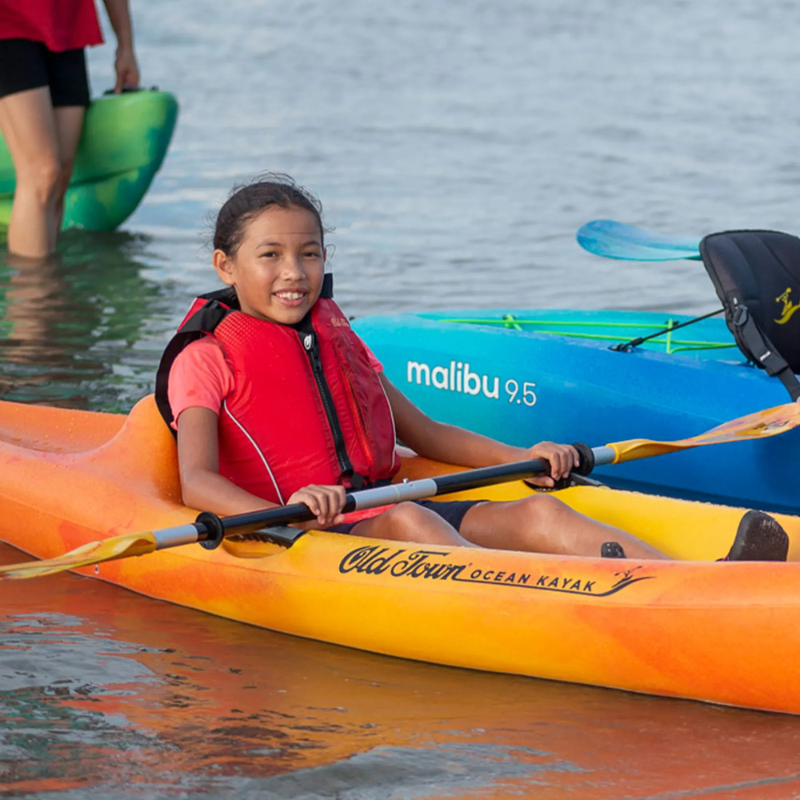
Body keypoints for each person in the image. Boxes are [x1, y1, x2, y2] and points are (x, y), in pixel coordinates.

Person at [155, 176, 790, 562]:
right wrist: (291, 509)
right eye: (270, 255)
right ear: (224, 265)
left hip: (383, 506)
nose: (294, 272)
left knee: (543, 515)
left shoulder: (334, 335)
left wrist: (529, 453)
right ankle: (539, 602)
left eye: (309, 253)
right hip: (307, 532)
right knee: (409, 520)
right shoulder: (206, 358)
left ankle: (691, 585)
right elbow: (197, 484)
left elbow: (426, 435)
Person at [0, 0, 139, 258]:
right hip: (7, 21)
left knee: (61, 176)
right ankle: (32, 294)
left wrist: (126, 46)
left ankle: (46, 283)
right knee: (41, 173)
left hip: (67, 26)